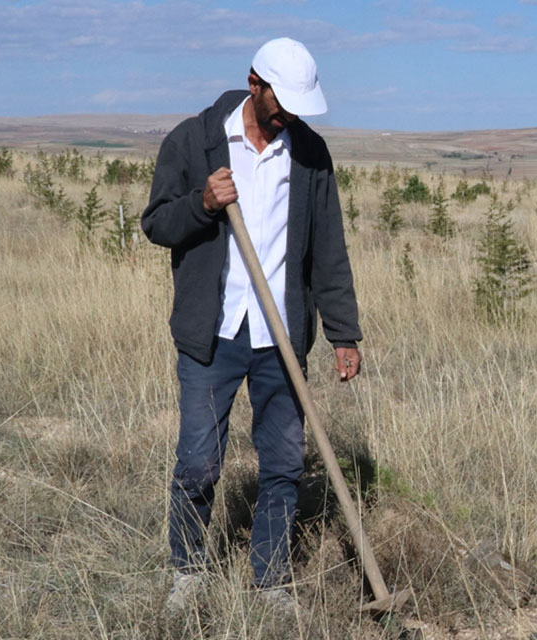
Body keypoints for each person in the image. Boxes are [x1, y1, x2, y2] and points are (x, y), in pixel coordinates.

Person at [141, 37, 361, 612]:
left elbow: (328, 250)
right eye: (280, 99)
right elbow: (157, 223)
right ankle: (187, 573)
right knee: (198, 460)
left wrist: (344, 333)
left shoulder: (310, 154)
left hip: (280, 336)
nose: (287, 113)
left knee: (284, 463)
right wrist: (203, 204)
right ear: (254, 83)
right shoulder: (195, 140)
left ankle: (270, 581)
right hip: (211, 332)